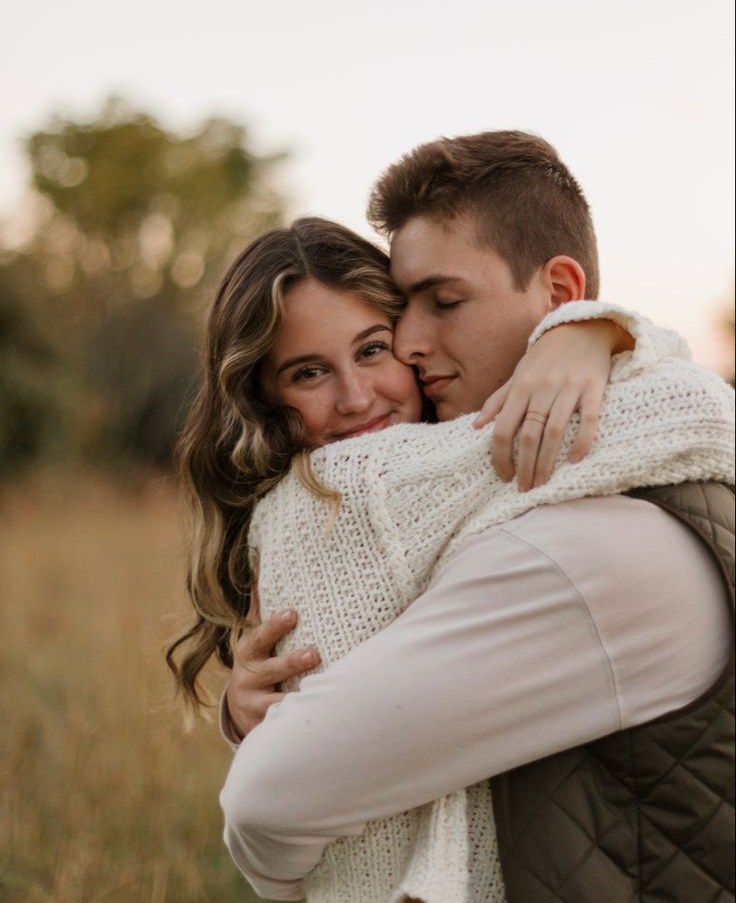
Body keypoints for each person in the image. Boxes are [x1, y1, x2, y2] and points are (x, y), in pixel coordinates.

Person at [217, 132, 735, 903]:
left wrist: (596, 329)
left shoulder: (582, 547)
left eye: (445, 302)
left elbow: (269, 805)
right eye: (406, 309)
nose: (412, 344)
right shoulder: (533, 492)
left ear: (561, 292)